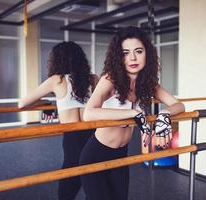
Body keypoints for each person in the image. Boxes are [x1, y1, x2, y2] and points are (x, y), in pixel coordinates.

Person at [80, 26, 185, 200]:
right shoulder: (110, 79)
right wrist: (133, 113)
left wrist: (164, 114)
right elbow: (88, 114)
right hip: (96, 154)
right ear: (118, 57)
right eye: (125, 53)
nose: (133, 58)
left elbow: (179, 105)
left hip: (121, 154)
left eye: (138, 51)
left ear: (147, 54)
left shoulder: (148, 83)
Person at [18, 41, 98, 200]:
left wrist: (47, 102)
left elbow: (22, 104)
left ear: (58, 60)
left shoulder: (57, 80)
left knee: (68, 182)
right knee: (92, 176)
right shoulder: (93, 79)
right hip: (93, 135)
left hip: (72, 137)